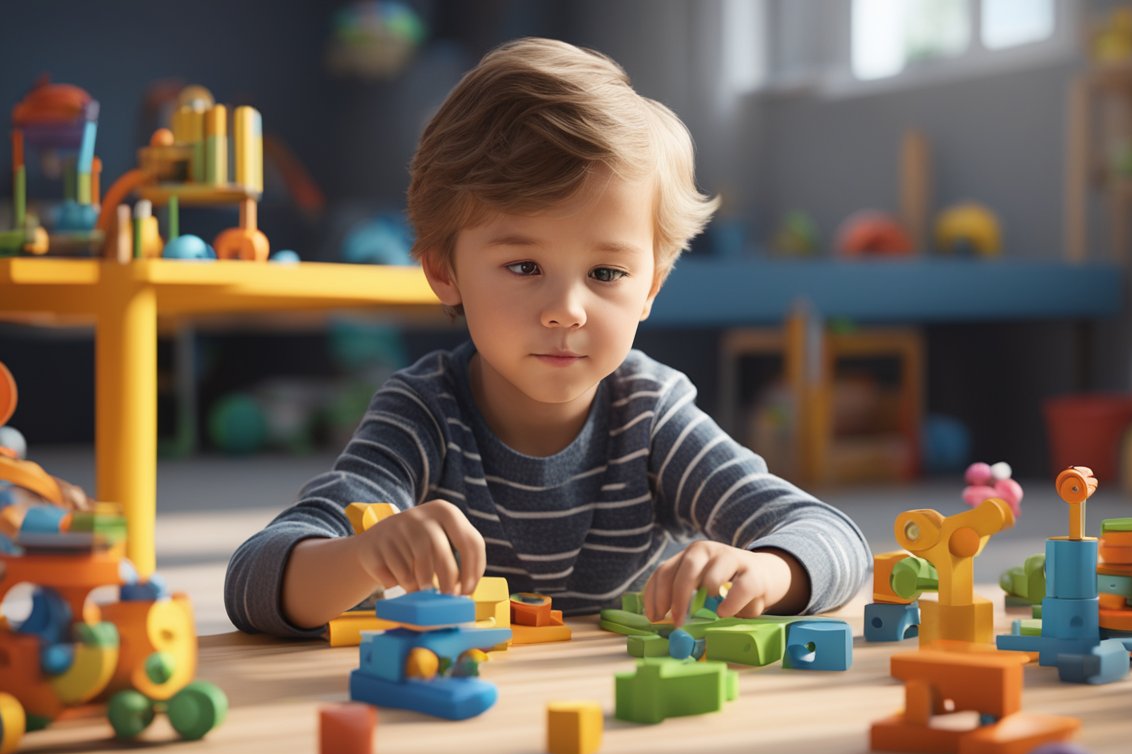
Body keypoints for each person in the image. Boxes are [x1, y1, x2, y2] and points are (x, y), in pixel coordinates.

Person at [224, 37, 870, 637]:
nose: (566, 310)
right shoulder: (424, 413)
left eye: (607, 273)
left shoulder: (651, 412)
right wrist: (363, 556)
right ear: (444, 271)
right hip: (467, 717)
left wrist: (768, 571)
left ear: (651, 286)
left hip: (627, 716)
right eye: (524, 267)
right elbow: (253, 580)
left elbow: (832, 537)